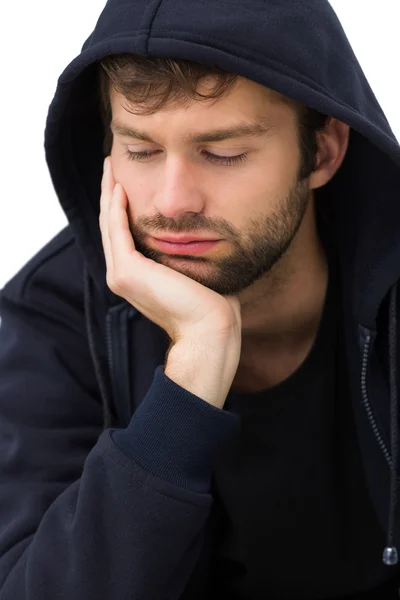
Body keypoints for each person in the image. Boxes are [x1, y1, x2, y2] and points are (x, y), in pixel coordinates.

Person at [1, 0, 400, 597]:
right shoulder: (49, 322)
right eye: (140, 151)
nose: (173, 202)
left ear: (322, 151)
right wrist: (188, 386)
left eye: (222, 153)